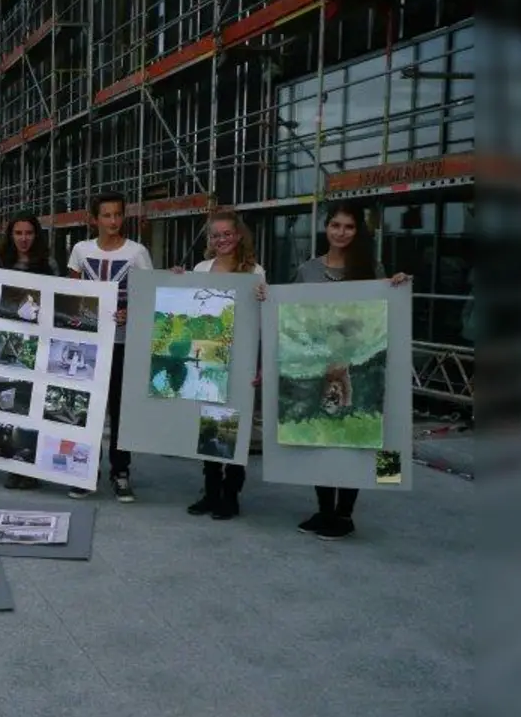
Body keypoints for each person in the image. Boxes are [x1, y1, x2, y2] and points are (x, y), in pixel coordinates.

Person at [292, 201, 411, 540]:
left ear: (358, 231)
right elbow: (292, 313)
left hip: (359, 369)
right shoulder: (308, 271)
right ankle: (324, 509)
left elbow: (382, 318)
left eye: (349, 227)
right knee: (320, 436)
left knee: (355, 436)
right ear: (326, 228)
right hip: (318, 367)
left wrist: (398, 286)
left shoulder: (373, 269)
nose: (341, 232)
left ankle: (345, 514)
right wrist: (263, 295)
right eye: (335, 226)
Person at [166, 208, 270, 520]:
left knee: (234, 428)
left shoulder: (255, 272)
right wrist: (177, 281)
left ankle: (231, 494)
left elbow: (263, 323)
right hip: (208, 357)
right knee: (210, 427)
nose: (222, 239)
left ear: (239, 235)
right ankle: (211, 491)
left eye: (227, 233)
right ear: (209, 239)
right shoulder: (201, 267)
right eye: (216, 235)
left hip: (242, 359)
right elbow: (188, 307)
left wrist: (262, 364)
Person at [67, 192, 153, 502]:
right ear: (94, 219)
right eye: (106, 215)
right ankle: (85, 470)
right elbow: (71, 294)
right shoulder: (80, 250)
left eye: (118, 214)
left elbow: (147, 294)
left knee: (120, 409)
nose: (113, 221)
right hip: (89, 343)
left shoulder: (137, 252)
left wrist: (130, 312)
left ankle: (121, 471)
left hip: (123, 343)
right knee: (86, 408)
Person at [0, 212, 56, 490]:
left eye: (28, 233)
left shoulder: (49, 265)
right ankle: (13, 464)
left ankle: (31, 467)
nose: (23, 239)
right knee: (13, 403)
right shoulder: (2, 265)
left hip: (39, 346)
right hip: (10, 344)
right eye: (18, 233)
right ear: (11, 236)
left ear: (37, 235)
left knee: (34, 406)